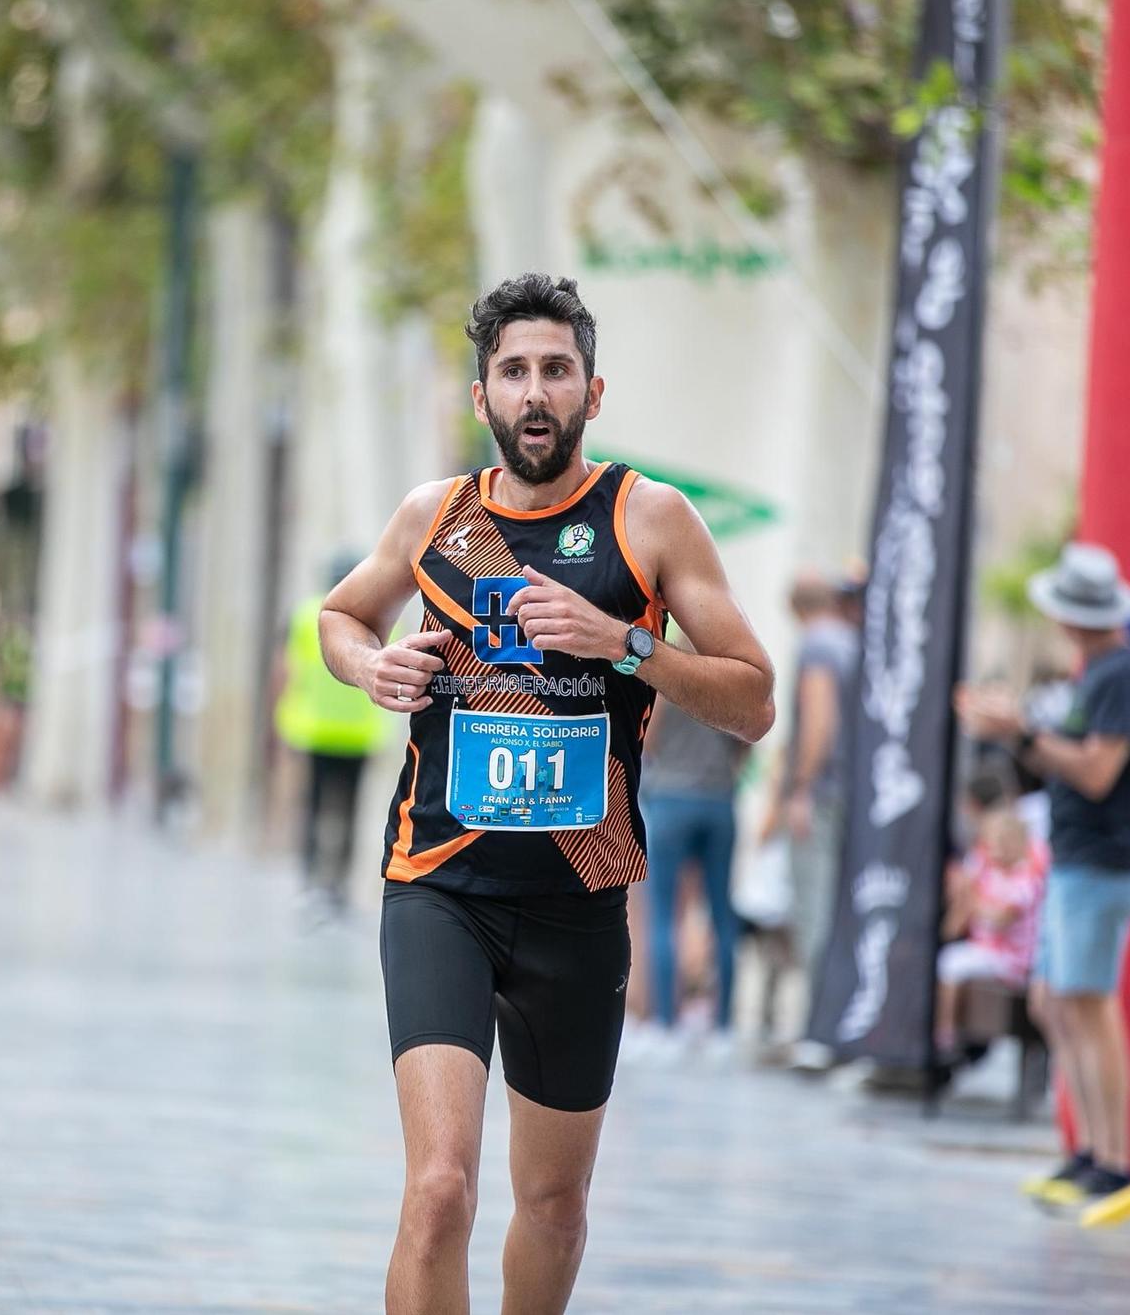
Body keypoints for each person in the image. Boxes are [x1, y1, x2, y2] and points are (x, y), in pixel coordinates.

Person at [318, 273, 775, 1313]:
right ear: (480, 396)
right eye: (513, 372)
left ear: (592, 391)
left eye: (555, 371)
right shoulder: (434, 517)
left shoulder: (646, 519)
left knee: (555, 1203)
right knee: (438, 1190)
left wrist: (624, 642)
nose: (535, 393)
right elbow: (339, 618)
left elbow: (752, 700)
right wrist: (368, 666)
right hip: (439, 886)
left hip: (580, 898)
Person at [956, 541, 1130, 1205]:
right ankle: (1087, 1152)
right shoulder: (1096, 675)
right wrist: (1020, 731)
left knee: (1088, 1003)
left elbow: (1098, 771)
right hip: (1077, 860)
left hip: (1100, 862)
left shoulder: (1120, 678)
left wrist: (1021, 734)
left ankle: (1113, 1158)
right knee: (1056, 1000)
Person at [760, 569, 859, 1065]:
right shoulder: (851, 641)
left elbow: (820, 721)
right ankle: (830, 1024)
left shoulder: (818, 647)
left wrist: (800, 788)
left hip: (822, 795)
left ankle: (819, 1031)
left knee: (813, 910)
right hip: (850, 795)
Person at [627, 690, 748, 1061]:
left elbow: (648, 735)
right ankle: (723, 1026)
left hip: (670, 796)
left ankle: (666, 1023)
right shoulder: (726, 671)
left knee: (662, 914)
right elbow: (746, 741)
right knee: (722, 915)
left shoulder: (670, 674)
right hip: (718, 797)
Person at [274, 558, 390, 919]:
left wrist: (279, 725)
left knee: (312, 806)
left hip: (314, 729)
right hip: (358, 733)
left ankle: (310, 881)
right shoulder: (385, 617)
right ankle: (339, 885)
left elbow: (287, 672)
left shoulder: (308, 614)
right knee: (350, 809)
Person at [935, 765, 1047, 1058]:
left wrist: (973, 902)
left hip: (1014, 960)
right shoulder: (987, 867)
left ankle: (945, 1033)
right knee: (950, 960)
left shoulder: (1024, 877)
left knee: (951, 964)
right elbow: (962, 914)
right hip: (991, 951)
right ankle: (946, 1032)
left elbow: (1000, 916)